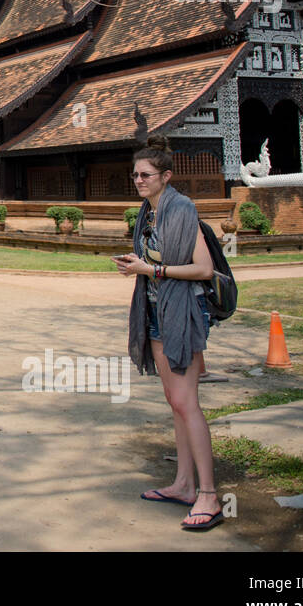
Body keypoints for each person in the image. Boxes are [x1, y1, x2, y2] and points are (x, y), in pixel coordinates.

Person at [114, 136, 222, 532]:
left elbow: (204, 268)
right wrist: (138, 266)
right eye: (135, 174)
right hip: (157, 313)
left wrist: (151, 271)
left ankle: (209, 495)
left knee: (186, 401)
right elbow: (154, 260)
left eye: (145, 175)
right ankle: (184, 483)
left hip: (184, 313)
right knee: (175, 401)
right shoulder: (149, 213)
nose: (138, 180)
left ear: (166, 177)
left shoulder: (181, 209)